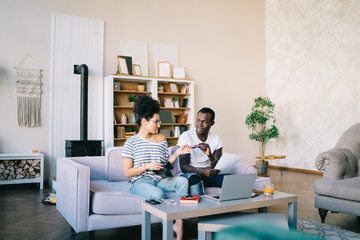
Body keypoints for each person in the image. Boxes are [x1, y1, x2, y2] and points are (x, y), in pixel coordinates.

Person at [122, 95, 193, 240]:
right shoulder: (131, 143)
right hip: (141, 182)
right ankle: (168, 228)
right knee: (158, 194)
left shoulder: (161, 139)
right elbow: (127, 172)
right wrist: (146, 166)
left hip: (160, 179)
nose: (159, 125)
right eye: (156, 121)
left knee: (183, 181)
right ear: (144, 121)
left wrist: (178, 153)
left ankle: (179, 222)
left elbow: (165, 164)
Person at [177, 107, 227, 195]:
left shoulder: (216, 139)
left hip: (208, 175)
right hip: (191, 174)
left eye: (204, 121)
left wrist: (209, 155)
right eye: (198, 120)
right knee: (195, 178)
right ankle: (200, 208)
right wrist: (200, 170)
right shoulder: (186, 136)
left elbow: (217, 167)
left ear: (212, 123)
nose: (199, 124)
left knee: (230, 179)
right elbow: (183, 167)